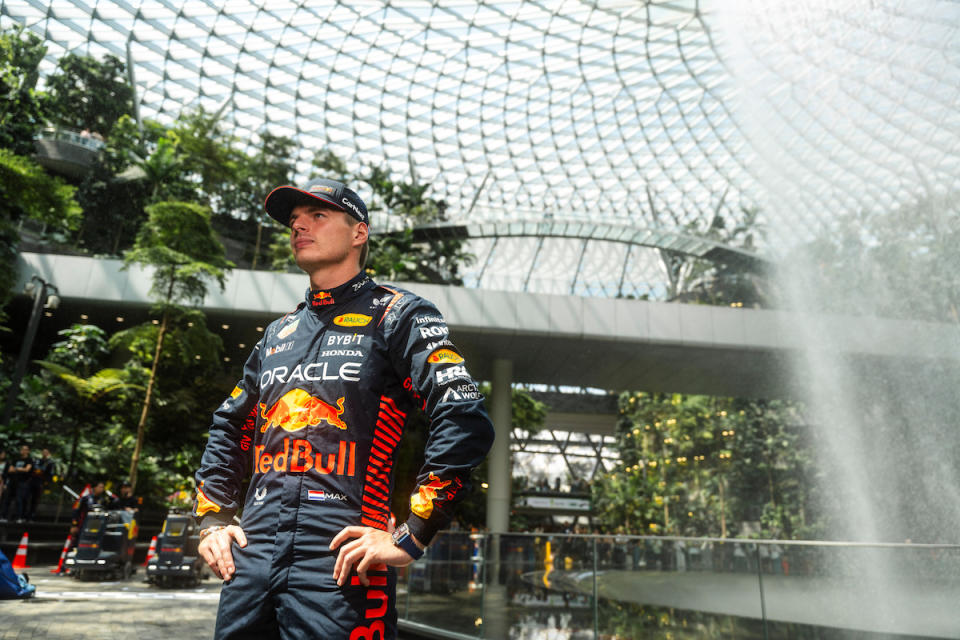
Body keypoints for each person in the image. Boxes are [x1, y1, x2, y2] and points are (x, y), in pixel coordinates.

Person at [193, 177, 494, 640]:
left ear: (359, 233)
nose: (299, 228)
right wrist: (213, 520)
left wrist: (412, 534)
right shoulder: (278, 333)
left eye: (317, 216)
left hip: (342, 562)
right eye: (294, 221)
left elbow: (462, 412)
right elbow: (229, 427)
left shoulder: (399, 315)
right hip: (250, 558)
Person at [0, 445, 34, 522]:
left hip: (22, 482)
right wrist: (20, 469)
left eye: (25, 449)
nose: (23, 451)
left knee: (19, 499)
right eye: (22, 449)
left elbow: (27, 470)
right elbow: (9, 470)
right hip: (12, 481)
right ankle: (3, 516)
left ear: (28, 451)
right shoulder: (16, 459)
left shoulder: (29, 460)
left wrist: (16, 469)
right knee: (7, 499)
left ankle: (19, 517)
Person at [26, 447, 56, 521]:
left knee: (35, 499)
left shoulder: (50, 463)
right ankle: (25, 515)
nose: (44, 453)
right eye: (43, 452)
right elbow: (32, 470)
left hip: (40, 483)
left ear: (48, 453)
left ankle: (32, 515)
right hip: (32, 482)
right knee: (28, 498)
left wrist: (46, 483)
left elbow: (50, 474)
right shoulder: (37, 461)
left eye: (46, 452)